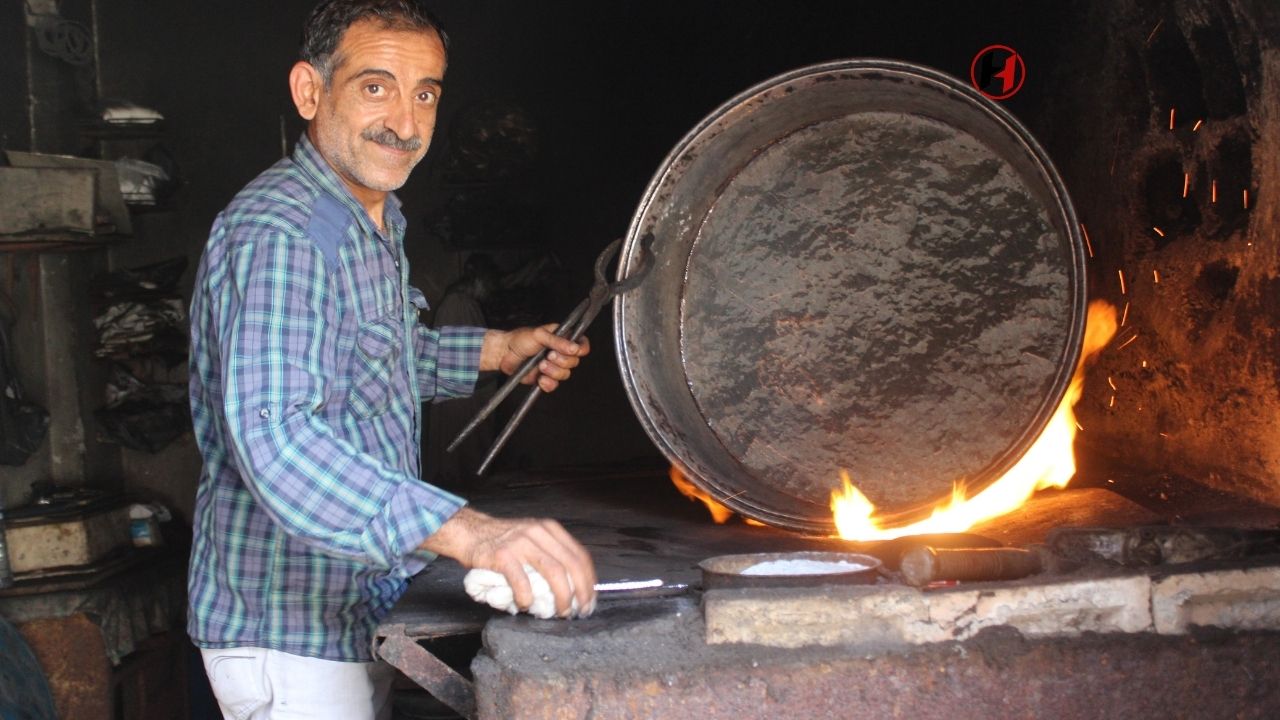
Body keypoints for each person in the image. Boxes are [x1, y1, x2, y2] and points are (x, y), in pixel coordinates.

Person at [185, 2, 597, 718]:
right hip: (289, 638)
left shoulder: (369, 217)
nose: (406, 124)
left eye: (425, 93)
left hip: (350, 612)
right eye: (375, 86)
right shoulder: (283, 231)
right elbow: (278, 439)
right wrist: (472, 532)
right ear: (310, 92)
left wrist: (499, 352)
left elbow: (373, 358)